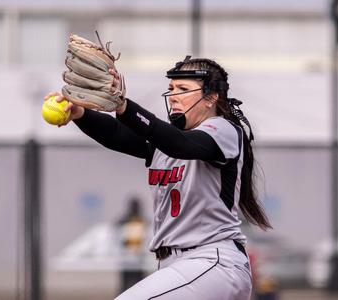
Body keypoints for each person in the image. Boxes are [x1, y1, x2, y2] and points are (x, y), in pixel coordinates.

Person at [45, 56, 271, 300]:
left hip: (211, 262)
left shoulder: (222, 130)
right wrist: (81, 114)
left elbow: (180, 145)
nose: (173, 95)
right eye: (171, 88)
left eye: (183, 89)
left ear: (211, 97)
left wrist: (123, 106)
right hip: (177, 266)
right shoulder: (166, 140)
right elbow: (117, 134)